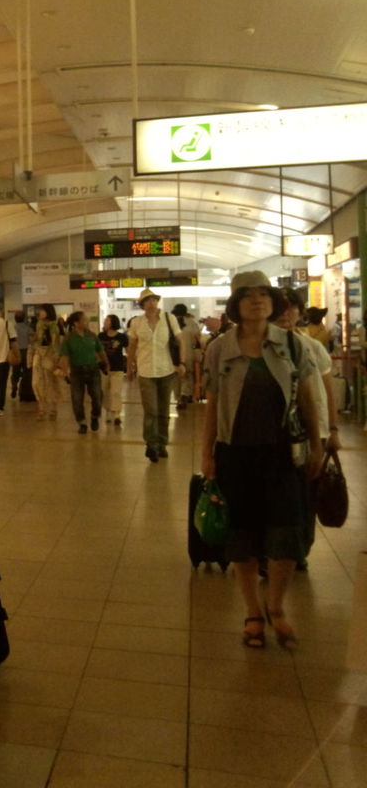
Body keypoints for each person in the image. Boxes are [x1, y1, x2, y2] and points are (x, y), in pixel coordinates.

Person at [200, 272, 321, 650]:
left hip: (283, 454)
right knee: (243, 535)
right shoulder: (219, 348)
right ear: (236, 304)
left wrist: (318, 445)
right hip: (235, 453)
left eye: (263, 295)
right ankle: (253, 612)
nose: (257, 301)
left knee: (286, 533)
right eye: (248, 295)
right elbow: (213, 404)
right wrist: (207, 453)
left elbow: (308, 398)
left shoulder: (292, 345)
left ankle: (276, 607)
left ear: (274, 301)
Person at [274, 287, 339, 569]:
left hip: (314, 433)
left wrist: (332, 430)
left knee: (308, 494)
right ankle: (277, 550)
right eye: (280, 307)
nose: (286, 313)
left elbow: (327, 390)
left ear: (300, 312)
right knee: (279, 494)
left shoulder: (312, 347)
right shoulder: (261, 348)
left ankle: (300, 548)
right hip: (276, 434)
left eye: (292, 307)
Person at [127, 288, 185, 463]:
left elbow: (180, 341)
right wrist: (129, 367)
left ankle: (162, 443)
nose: (151, 303)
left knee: (164, 411)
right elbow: (132, 346)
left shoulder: (169, 318)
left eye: (153, 300)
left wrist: (182, 363)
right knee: (151, 410)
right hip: (145, 371)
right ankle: (151, 444)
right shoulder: (137, 322)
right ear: (142, 305)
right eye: (147, 301)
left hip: (166, 370)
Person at [57, 312, 108, 434]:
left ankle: (95, 416)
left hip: (93, 369)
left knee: (97, 396)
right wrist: (65, 372)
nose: (87, 322)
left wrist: (105, 364)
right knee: (77, 398)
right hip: (77, 371)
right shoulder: (69, 338)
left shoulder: (92, 336)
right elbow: (65, 357)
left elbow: (100, 351)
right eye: (84, 320)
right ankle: (82, 422)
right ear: (76, 323)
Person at [29, 305, 62, 420]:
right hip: (38, 354)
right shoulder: (38, 324)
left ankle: (52, 408)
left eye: (43, 310)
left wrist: (56, 359)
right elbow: (36, 341)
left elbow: (56, 343)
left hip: (49, 355)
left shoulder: (53, 326)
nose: (40, 312)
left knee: (50, 382)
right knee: (36, 382)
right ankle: (41, 408)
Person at [98, 314, 128, 426]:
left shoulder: (122, 337)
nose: (104, 322)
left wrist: (132, 364)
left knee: (115, 391)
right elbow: (97, 351)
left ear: (112, 323)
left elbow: (128, 350)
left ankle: (116, 414)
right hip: (103, 369)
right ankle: (107, 411)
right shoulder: (100, 336)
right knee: (104, 391)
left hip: (118, 367)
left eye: (107, 320)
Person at [172, 305, 203, 408]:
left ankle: (178, 397)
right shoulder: (191, 322)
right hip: (187, 352)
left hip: (174, 354)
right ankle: (184, 395)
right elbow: (198, 338)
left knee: (176, 376)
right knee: (187, 375)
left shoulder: (172, 322)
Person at [10, 309, 33, 400]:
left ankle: (14, 385)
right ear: (24, 318)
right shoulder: (28, 328)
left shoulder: (12, 328)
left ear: (15, 319)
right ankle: (24, 391)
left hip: (15, 352)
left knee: (15, 371)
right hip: (26, 351)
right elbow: (31, 340)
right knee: (27, 372)